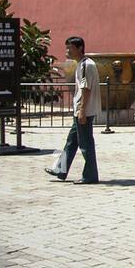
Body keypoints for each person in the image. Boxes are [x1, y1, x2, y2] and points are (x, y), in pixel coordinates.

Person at [46, 36, 100, 184]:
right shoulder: (82, 64)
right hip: (80, 110)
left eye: (70, 48)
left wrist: (82, 110)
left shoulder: (85, 66)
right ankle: (60, 169)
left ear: (80, 48)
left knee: (85, 144)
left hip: (84, 111)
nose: (67, 51)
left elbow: (86, 88)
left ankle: (90, 176)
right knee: (71, 142)